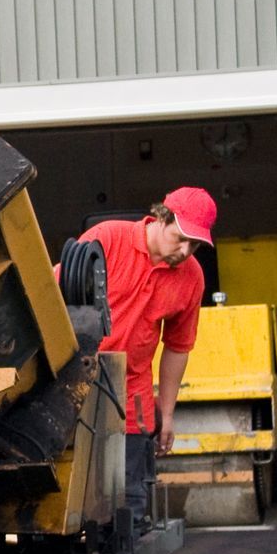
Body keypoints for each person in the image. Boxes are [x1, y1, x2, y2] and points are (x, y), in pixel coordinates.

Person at [78, 186, 218, 527]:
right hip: (74, 381)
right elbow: (52, 297)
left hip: (131, 397)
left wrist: (166, 415)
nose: (185, 251)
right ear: (161, 217)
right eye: (180, 238)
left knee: (129, 501)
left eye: (195, 244)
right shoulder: (107, 240)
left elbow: (177, 347)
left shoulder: (192, 278)